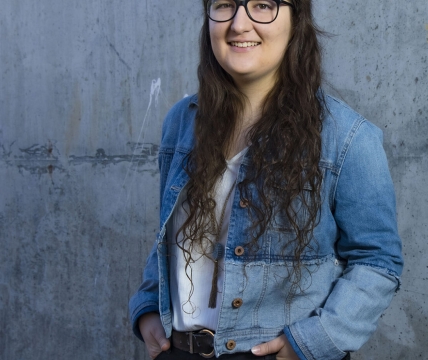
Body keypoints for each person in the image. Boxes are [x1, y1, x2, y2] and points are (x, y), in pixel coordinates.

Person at [128, 1, 403, 359]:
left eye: (262, 5)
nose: (239, 24)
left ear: (296, 20)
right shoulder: (182, 122)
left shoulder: (347, 137)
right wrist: (149, 305)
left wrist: (312, 341)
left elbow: (377, 261)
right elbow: (169, 235)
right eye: (225, 5)